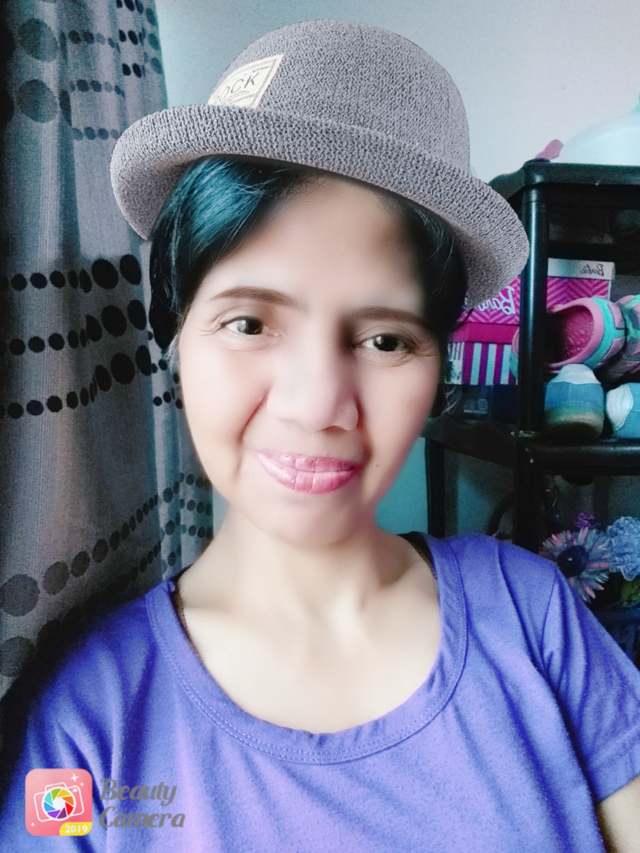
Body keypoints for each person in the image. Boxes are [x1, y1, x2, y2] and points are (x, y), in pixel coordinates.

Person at [2, 19, 640, 852]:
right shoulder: (87, 727)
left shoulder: (532, 616)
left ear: (439, 366)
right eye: (249, 323)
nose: (316, 404)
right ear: (175, 334)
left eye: (385, 340)